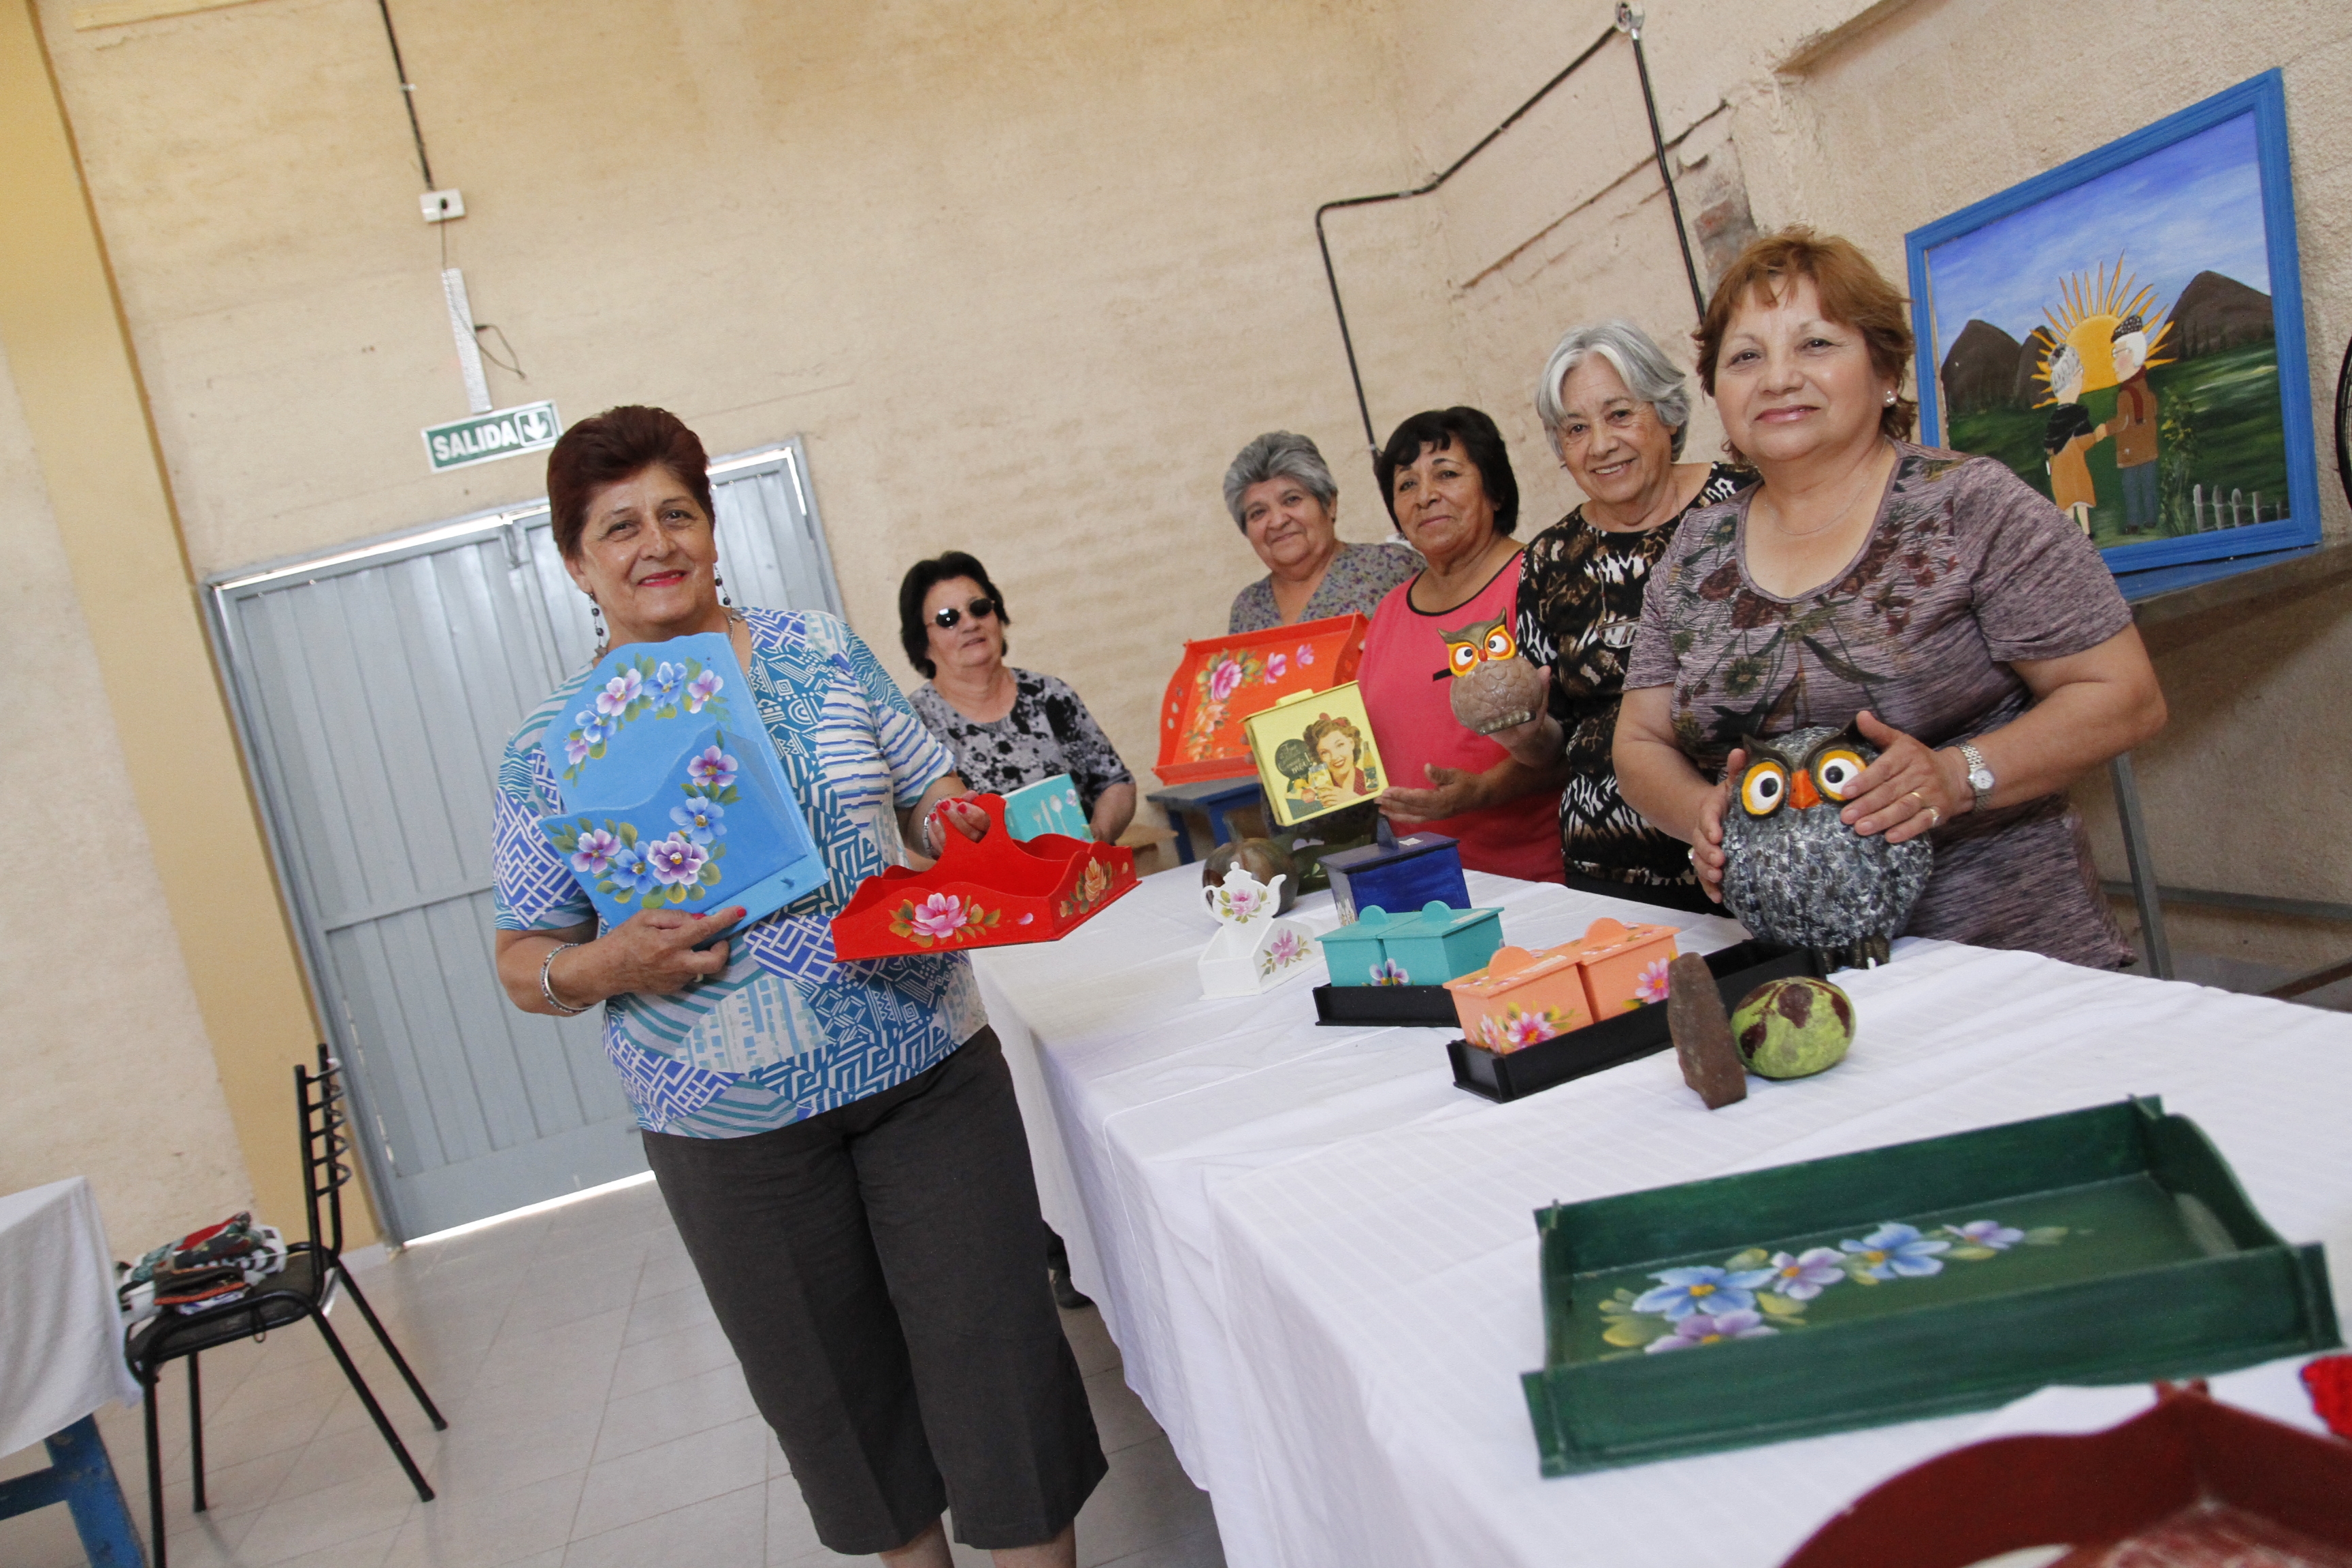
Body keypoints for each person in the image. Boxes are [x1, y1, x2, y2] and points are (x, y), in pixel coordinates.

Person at [490, 408, 1103, 1568]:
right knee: (840, 1406)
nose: (656, 542)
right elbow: (524, 957)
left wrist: (955, 824)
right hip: (727, 1133)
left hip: (925, 1073)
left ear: (713, 529)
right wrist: (605, 964)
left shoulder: (820, 650)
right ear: (575, 562)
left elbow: (928, 795)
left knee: (1002, 1369)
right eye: (618, 526)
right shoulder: (550, 746)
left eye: (677, 512)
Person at [1614, 230, 2168, 968]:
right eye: (1745, 357)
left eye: (1815, 344)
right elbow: (1640, 742)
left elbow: (2125, 695)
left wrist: (1956, 775)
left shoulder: (1969, 505)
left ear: (1885, 373)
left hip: (2004, 957)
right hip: (1797, 980)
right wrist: (1701, 815)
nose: (1778, 378)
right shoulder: (1694, 551)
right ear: (1717, 392)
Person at [1477, 320, 1748, 913]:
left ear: (1669, 414)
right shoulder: (1549, 559)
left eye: (1620, 414)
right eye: (1576, 428)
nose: (1600, 444)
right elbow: (1555, 746)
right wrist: (1526, 737)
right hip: (1610, 874)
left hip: (1747, 851)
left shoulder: (1747, 506)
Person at [1358, 406, 1567, 881]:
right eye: (1406, 485)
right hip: (1423, 879)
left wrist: (1481, 791)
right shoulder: (1390, 609)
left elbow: (1584, 737)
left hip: (1538, 878)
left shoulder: (1539, 579)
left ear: (1494, 490)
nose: (1425, 496)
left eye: (1446, 474)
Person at [900, 551, 1136, 847]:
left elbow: (1115, 782)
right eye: (949, 618)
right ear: (922, 642)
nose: (970, 624)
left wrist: (1100, 834)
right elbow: (909, 836)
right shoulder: (913, 725)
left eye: (979, 608)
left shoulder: (1049, 694)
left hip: (1080, 867)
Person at [1224, 430, 1418, 633]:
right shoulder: (1248, 608)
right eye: (1258, 512)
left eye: (1292, 500)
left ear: (1329, 503)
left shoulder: (1390, 567)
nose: (1278, 521)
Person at [2102, 315, 2160, 532]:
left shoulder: (2125, 395)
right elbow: (2154, 411)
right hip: (2149, 449)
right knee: (2148, 485)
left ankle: (2134, 523)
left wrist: (2105, 429)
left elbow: (2122, 422)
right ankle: (2151, 519)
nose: (2114, 362)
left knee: (2132, 488)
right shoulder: (2147, 392)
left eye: (2118, 354)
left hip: (2130, 452)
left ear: (2134, 354)